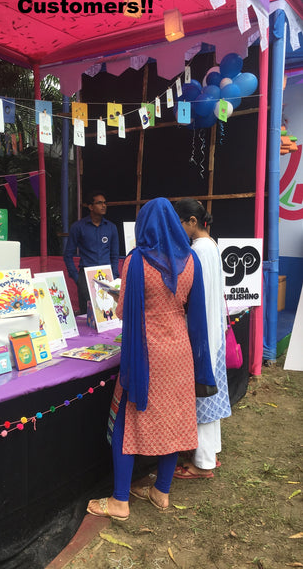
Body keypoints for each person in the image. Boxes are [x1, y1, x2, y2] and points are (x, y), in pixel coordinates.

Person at [86, 198, 217, 521]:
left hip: (146, 354)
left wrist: (121, 300)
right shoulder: (189, 261)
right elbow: (193, 309)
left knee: (125, 422)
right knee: (174, 420)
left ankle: (119, 501)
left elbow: (124, 311)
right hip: (180, 352)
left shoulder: (137, 261)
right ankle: (162, 491)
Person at [173, 198, 231, 478]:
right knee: (210, 395)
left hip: (204, 334)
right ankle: (209, 453)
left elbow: (198, 296)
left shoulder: (199, 250)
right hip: (212, 332)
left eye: (180, 224)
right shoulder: (210, 246)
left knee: (204, 397)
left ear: (192, 222)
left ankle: (204, 462)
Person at [63, 191, 120, 315]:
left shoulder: (111, 227)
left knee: (107, 313)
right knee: (87, 314)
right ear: (90, 206)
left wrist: (114, 276)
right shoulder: (78, 227)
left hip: (107, 276)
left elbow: (115, 255)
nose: (103, 206)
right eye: (99, 203)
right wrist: (77, 278)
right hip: (86, 275)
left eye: (105, 203)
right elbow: (68, 255)